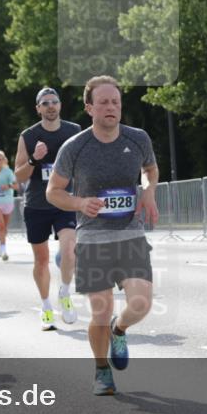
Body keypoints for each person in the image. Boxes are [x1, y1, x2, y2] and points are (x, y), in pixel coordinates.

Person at [47, 75, 160, 395]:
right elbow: (53, 191)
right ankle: (101, 371)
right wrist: (80, 203)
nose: (111, 107)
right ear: (89, 108)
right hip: (93, 239)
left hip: (130, 235)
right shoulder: (75, 147)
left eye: (115, 102)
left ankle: (119, 330)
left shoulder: (138, 138)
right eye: (103, 102)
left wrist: (149, 191)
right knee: (100, 310)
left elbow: (150, 170)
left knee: (141, 303)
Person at [14, 87, 81, 330]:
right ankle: (46, 307)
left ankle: (64, 292)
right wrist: (34, 158)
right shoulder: (29, 135)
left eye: (54, 102)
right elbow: (19, 175)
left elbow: (84, 165)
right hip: (37, 204)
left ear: (60, 105)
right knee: (41, 260)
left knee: (69, 249)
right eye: (45, 103)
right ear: (38, 109)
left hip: (64, 201)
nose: (50, 106)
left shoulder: (74, 131)